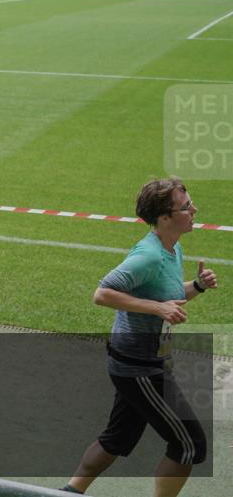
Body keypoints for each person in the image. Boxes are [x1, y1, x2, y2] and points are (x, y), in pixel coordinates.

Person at [63, 177, 216, 496]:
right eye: (186, 206)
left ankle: (69, 492)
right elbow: (102, 293)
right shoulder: (149, 255)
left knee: (117, 438)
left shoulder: (172, 248)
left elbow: (168, 297)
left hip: (142, 361)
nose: (194, 210)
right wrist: (157, 308)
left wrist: (197, 286)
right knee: (189, 445)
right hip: (139, 367)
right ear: (164, 217)